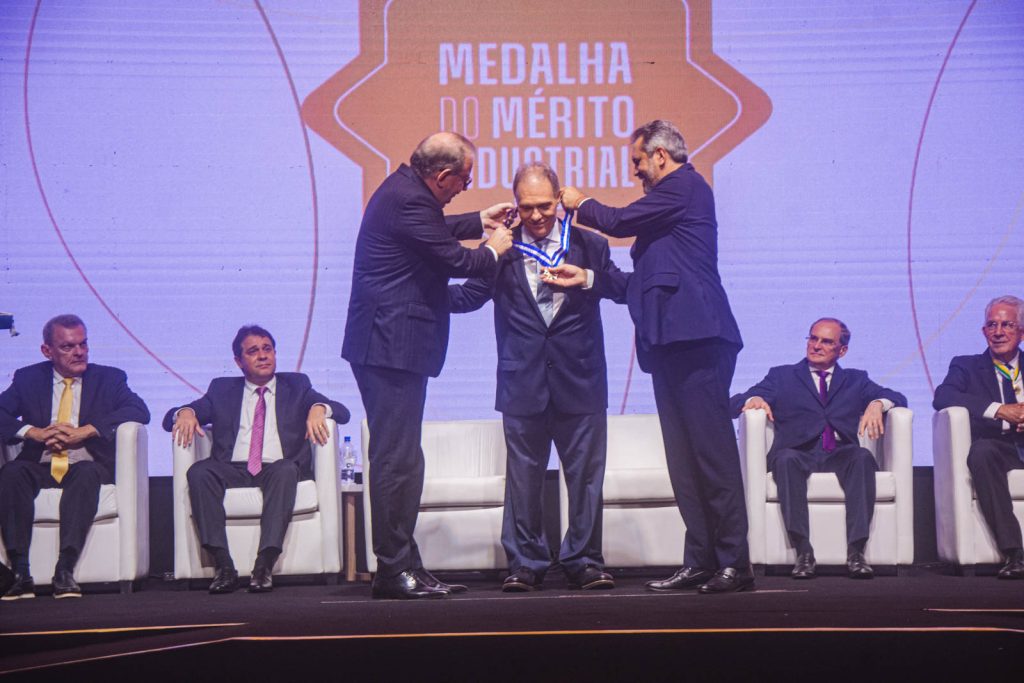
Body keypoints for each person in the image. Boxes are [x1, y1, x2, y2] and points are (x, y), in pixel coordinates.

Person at [556, 119, 751, 593]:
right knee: (683, 460)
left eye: (639, 162)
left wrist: (580, 203)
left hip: (699, 338)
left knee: (711, 454)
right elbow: (642, 284)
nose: (636, 172)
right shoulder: (667, 219)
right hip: (668, 343)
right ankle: (701, 558)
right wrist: (588, 279)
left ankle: (734, 562)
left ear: (661, 156)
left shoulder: (684, 186)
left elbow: (619, 222)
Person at [343, 132, 514, 599]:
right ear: (442, 175)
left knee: (404, 460)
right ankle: (392, 570)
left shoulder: (407, 192)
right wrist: (494, 246)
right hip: (389, 346)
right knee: (397, 461)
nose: (465, 186)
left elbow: (433, 231)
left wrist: (477, 219)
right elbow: (457, 258)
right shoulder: (409, 201)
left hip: (391, 345)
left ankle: (404, 564)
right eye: (465, 179)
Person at [449, 162, 627, 592]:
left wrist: (587, 279)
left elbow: (620, 289)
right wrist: (412, 291)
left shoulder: (589, 244)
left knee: (585, 478)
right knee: (524, 478)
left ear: (560, 199)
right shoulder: (501, 248)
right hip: (522, 381)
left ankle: (584, 560)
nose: (537, 216)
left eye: (545, 205)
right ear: (516, 205)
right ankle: (525, 563)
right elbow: (470, 297)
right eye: (527, 207)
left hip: (580, 379)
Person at [164, 325, 350, 594]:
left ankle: (264, 565)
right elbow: (174, 415)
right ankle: (224, 565)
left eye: (267, 349)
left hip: (276, 468)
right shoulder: (222, 389)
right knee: (199, 472)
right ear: (239, 362)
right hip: (233, 468)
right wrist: (185, 412)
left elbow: (342, 412)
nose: (263, 356)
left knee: (286, 469)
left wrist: (319, 408)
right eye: (253, 351)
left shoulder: (297, 386)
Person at [731, 318, 907, 579]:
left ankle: (857, 552)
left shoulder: (856, 380)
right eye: (813, 338)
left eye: (826, 341)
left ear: (842, 350)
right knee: (786, 460)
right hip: (798, 452)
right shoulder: (781, 376)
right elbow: (735, 402)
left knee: (862, 457)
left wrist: (877, 404)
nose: (816, 346)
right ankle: (803, 552)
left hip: (838, 452)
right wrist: (753, 398)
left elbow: (899, 397)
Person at [0, 314, 150, 599]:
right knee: (11, 473)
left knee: (86, 473)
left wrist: (87, 431)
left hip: (86, 464)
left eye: (83, 344)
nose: (79, 352)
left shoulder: (109, 378)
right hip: (40, 464)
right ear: (48, 351)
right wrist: (33, 433)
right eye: (68, 347)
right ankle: (20, 573)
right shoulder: (28, 379)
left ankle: (64, 570)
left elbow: (139, 410)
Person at [934, 295, 1024, 579]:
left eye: (1007, 325)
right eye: (992, 325)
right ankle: (1013, 553)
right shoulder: (966, 365)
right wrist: (999, 410)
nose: (998, 332)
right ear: (984, 331)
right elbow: (943, 396)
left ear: (1021, 331)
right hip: (997, 447)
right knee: (981, 452)